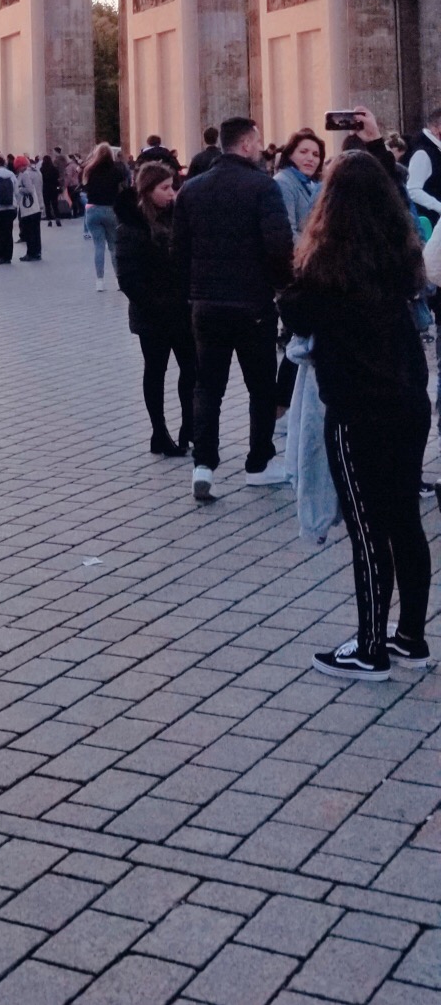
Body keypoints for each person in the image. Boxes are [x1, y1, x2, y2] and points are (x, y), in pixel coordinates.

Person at [279, 149, 431, 679]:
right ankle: (411, 636)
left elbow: (296, 311)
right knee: (405, 521)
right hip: (410, 398)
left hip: (357, 408)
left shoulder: (326, 260)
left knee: (369, 530)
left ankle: (370, 647)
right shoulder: (400, 248)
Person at [172, 116, 293, 502]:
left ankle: (203, 464)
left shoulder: (190, 190)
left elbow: (179, 252)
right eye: (256, 142)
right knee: (261, 388)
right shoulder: (263, 187)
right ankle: (258, 463)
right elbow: (278, 247)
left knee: (208, 387)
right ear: (245, 145)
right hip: (253, 305)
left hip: (206, 306)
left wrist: (193, 293)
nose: (260, 148)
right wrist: (280, 288)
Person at [115, 163, 193, 456]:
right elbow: (128, 279)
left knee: (191, 370)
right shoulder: (131, 226)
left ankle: (190, 426)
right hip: (153, 317)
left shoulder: (179, 219)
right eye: (165, 188)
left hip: (183, 312)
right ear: (147, 191)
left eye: (173, 187)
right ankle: (159, 432)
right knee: (156, 372)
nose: (172, 193)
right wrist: (158, 305)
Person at [273, 129, 325, 418]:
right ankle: (280, 408)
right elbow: (288, 229)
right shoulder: (284, 183)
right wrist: (311, 255)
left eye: (315, 154)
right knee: (296, 339)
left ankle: (286, 406)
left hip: (310, 270)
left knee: (301, 339)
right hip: (297, 272)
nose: (310, 158)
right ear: (290, 153)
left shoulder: (311, 184)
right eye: (304, 152)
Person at [82, 142, 126, 291]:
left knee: (98, 246)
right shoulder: (116, 170)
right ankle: (118, 280)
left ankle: (99, 281)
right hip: (110, 209)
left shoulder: (89, 170)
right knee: (113, 246)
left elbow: (85, 187)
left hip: (93, 210)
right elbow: (123, 189)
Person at [406, 106, 441, 228]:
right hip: (431, 222)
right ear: (436, 128)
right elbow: (412, 189)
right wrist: (438, 206)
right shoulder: (423, 153)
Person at [15, 155, 44, 261]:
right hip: (35, 207)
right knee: (36, 232)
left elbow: (30, 189)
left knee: (30, 231)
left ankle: (31, 253)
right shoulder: (35, 171)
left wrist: (19, 188)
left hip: (29, 208)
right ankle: (36, 252)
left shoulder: (25, 174)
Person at [40, 155, 62, 227]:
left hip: (45, 189)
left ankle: (49, 220)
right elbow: (58, 179)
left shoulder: (42, 169)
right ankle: (57, 219)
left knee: (47, 205)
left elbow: (41, 180)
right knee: (55, 204)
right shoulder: (54, 169)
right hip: (54, 188)